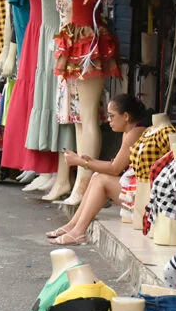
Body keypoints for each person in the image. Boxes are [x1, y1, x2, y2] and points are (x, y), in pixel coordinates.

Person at [45, 94, 149, 245]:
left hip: (143, 199)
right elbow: (116, 165)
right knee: (96, 176)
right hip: (138, 192)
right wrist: (89, 161)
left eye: (112, 116)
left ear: (126, 116)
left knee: (100, 180)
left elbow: (115, 169)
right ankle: (73, 226)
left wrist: (81, 162)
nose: (109, 120)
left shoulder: (134, 133)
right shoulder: (132, 131)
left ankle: (78, 232)